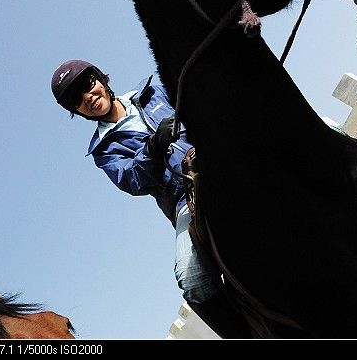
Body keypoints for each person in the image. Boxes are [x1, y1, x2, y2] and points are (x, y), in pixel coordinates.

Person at [51, 59, 249, 338]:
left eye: (87, 85)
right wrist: (153, 147)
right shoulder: (104, 150)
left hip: (220, 161)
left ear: (100, 79)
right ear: (75, 110)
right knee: (191, 279)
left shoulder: (153, 92)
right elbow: (133, 180)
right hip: (186, 200)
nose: (87, 97)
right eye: (75, 99)